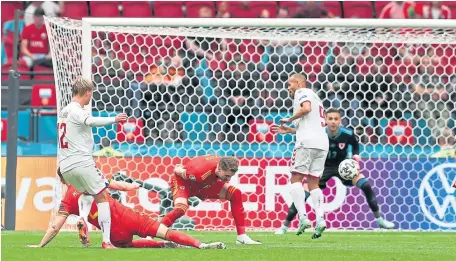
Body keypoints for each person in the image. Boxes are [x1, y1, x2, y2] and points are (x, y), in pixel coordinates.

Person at [274, 108, 395, 235]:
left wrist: (355, 157)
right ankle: (284, 226)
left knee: (365, 184)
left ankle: (379, 220)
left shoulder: (347, 134)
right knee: (304, 193)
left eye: (335, 119)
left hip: (342, 167)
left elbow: (355, 145)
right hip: (322, 167)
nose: (333, 122)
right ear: (325, 120)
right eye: (330, 119)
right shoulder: (320, 132)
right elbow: (304, 133)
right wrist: (291, 131)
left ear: (340, 121)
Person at [27, 173, 225, 249]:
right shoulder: (90, 179)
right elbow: (115, 184)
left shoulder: (66, 201)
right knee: (166, 231)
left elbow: (54, 226)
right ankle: (201, 245)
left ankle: (160, 246)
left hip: (114, 234)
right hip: (127, 216)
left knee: (126, 245)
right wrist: (131, 186)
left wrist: (40, 245)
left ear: (62, 180)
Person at [57, 78, 127, 249]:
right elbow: (91, 121)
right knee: (102, 197)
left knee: (87, 193)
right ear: (87, 92)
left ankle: (82, 217)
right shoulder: (76, 110)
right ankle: (106, 241)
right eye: (91, 94)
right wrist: (114, 119)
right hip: (81, 162)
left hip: (65, 166)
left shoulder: (64, 111)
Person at [274, 73, 329, 239]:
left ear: (299, 82)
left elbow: (306, 109)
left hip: (306, 144)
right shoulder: (317, 98)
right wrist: (291, 130)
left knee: (296, 179)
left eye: (290, 83)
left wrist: (289, 119)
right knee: (313, 183)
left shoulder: (301, 92)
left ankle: (303, 217)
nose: (288, 87)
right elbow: (312, 124)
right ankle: (320, 219)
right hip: (322, 144)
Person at [160, 155, 261, 245]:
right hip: (184, 183)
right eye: (227, 176)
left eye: (231, 176)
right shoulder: (198, 171)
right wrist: (178, 168)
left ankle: (242, 237)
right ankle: (153, 232)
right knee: (180, 208)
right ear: (219, 169)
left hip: (205, 185)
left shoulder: (222, 164)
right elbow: (177, 171)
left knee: (235, 193)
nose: (228, 179)